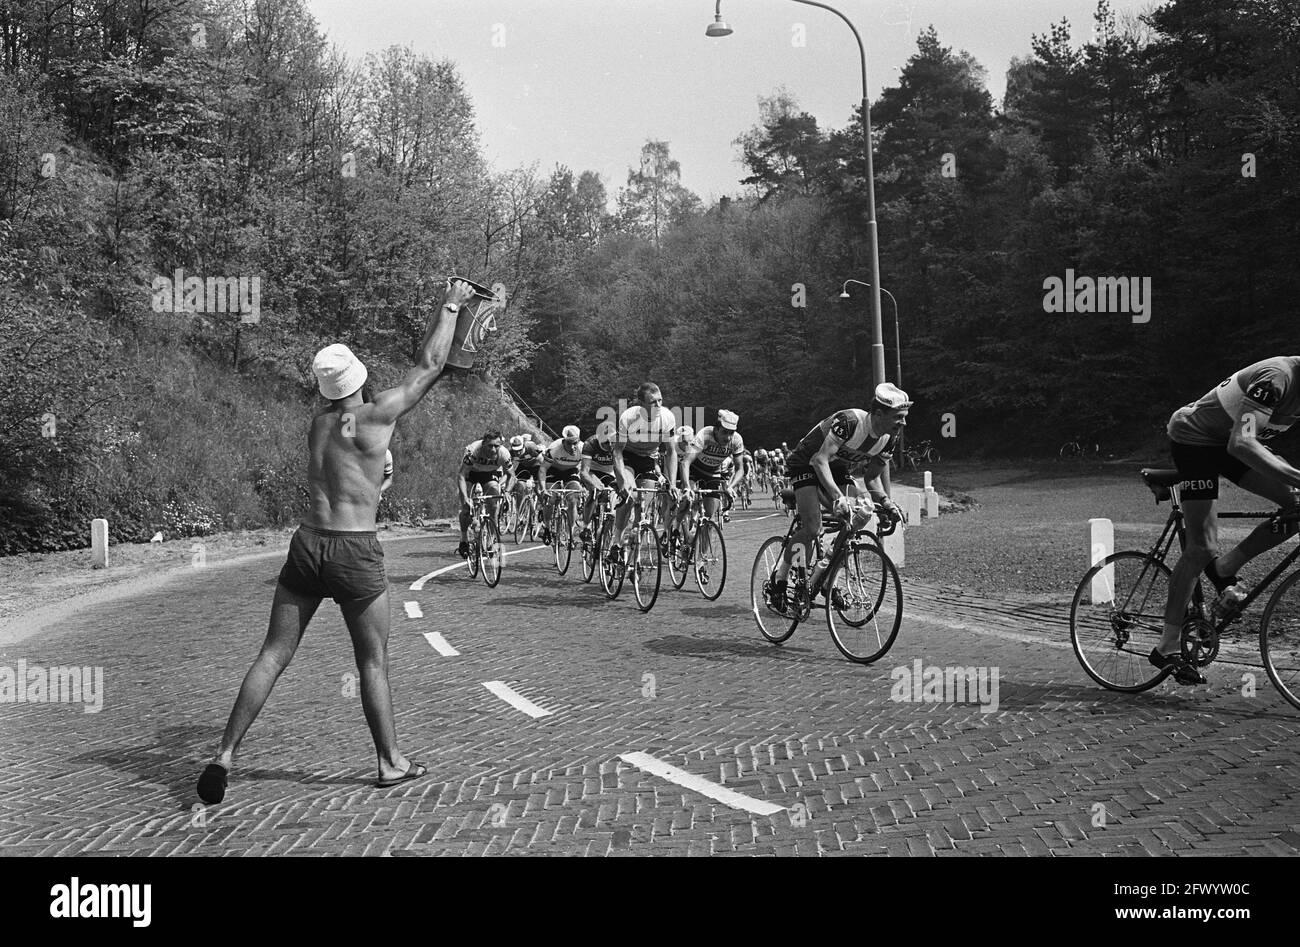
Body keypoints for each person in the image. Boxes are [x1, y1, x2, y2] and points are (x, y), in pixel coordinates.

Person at [196, 279, 476, 804]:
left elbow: (349, 475)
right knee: (372, 662)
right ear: (359, 379)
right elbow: (430, 368)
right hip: (354, 550)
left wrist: (379, 479)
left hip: (306, 545)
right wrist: (452, 304)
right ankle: (390, 763)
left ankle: (224, 755)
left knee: (272, 654)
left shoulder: (317, 424)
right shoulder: (374, 415)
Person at [1156, 356, 1300, 684]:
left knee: (1294, 508)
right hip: (1195, 440)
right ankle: (1166, 646)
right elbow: (1243, 442)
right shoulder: (1276, 379)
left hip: (1228, 444)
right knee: (1202, 547)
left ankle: (1224, 569)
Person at [766, 384, 909, 612]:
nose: (903, 423)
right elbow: (819, 460)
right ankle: (780, 580)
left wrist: (887, 503)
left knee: (862, 510)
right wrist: (838, 497)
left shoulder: (889, 439)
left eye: (904, 417)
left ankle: (824, 576)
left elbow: (872, 478)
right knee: (813, 527)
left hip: (836, 468)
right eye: (899, 417)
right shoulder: (849, 422)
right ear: (880, 414)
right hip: (808, 462)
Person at [610, 382, 680, 564]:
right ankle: (615, 541)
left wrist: (672, 483)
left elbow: (671, 452)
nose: (658, 406)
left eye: (660, 400)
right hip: (627, 457)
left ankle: (635, 556)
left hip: (648, 458)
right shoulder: (629, 417)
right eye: (653, 402)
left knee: (643, 510)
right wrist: (622, 482)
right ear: (641, 403)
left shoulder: (667, 417)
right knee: (631, 496)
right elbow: (617, 452)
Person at [456, 431, 513, 557]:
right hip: (471, 473)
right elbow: (461, 475)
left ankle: (491, 539)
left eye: (496, 446)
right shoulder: (473, 450)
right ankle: (464, 540)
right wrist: (465, 497)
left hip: (490, 474)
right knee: (466, 509)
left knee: (494, 503)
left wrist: (507, 491)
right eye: (490, 446)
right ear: (483, 444)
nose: (493, 449)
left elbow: (511, 476)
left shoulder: (504, 453)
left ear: (500, 445)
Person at [538, 425, 585, 545]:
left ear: (578, 440)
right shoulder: (554, 448)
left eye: (575, 443)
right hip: (553, 470)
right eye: (569, 443)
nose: (572, 447)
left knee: (574, 497)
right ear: (564, 441)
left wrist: (585, 486)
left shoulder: (583, 448)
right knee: (550, 498)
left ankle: (570, 533)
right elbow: (543, 469)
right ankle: (547, 527)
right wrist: (543, 489)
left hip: (571, 471)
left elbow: (587, 469)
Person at [578, 423, 619, 543]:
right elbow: (584, 472)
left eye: (612, 441)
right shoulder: (590, 443)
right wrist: (593, 484)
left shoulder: (619, 442)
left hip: (610, 472)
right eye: (606, 443)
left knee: (616, 492)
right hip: (593, 471)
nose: (610, 445)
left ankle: (611, 517)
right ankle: (586, 526)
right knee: (595, 491)